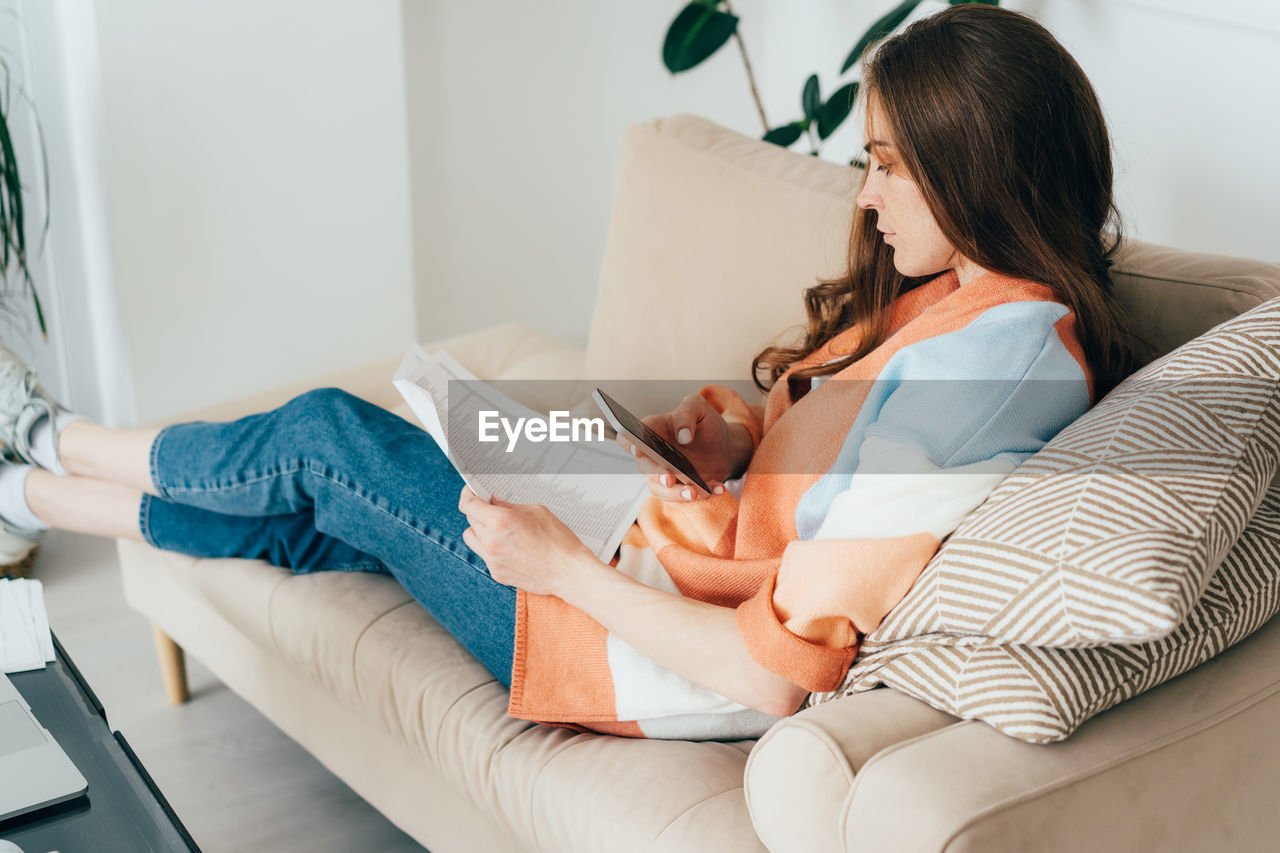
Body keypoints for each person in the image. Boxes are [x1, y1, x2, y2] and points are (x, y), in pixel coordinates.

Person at [0, 5, 1137, 739]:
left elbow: (776, 677)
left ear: (973, 167)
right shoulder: (963, 303)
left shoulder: (998, 369)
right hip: (653, 553)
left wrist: (557, 566)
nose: (865, 194)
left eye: (887, 166)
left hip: (636, 648)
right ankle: (28, 488)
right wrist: (731, 440)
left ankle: (51, 439)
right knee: (334, 508)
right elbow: (829, 468)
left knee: (328, 441)